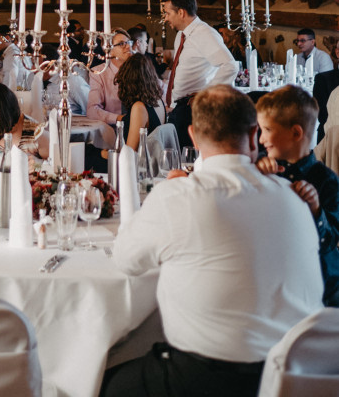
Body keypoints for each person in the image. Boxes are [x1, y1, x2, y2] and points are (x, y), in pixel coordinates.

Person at [102, 85, 324, 397]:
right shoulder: (293, 198)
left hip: (207, 379)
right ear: (252, 134)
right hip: (301, 376)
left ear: (193, 135)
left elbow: (125, 259)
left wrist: (168, 196)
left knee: (99, 380)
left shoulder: (179, 196)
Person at [256, 85, 339, 306]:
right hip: (277, 276)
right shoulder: (264, 168)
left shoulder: (326, 180)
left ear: (295, 133)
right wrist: (256, 176)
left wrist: (316, 210)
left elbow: (331, 240)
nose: (261, 140)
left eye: (266, 130)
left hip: (322, 284)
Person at [162, 0, 238, 149]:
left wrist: (206, 95)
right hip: (178, 107)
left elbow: (230, 65)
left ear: (181, 12)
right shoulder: (181, 35)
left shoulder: (205, 33)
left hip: (193, 110)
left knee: (188, 157)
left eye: (167, 13)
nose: (166, 18)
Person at [116, 52, 166, 149]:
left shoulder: (139, 107)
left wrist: (105, 153)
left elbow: (130, 152)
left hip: (138, 162)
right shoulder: (158, 100)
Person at [87, 29, 132, 126]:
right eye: (121, 44)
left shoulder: (140, 69)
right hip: (112, 129)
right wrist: (120, 119)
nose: (128, 46)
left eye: (129, 43)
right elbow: (92, 110)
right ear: (109, 51)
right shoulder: (98, 73)